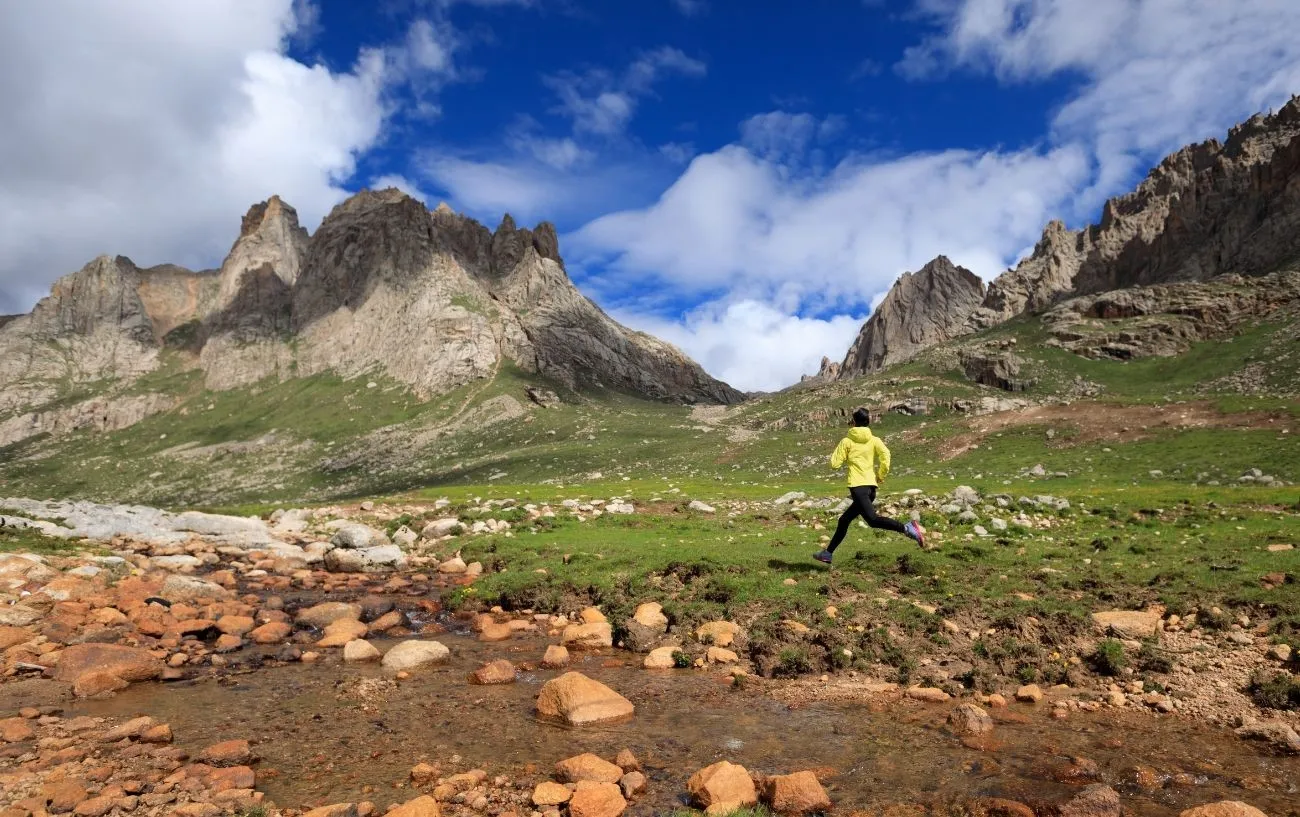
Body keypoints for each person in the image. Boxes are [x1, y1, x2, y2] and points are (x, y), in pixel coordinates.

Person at [813, 407, 925, 565]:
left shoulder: (847, 441)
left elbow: (834, 464)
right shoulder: (875, 440)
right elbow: (886, 456)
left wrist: (843, 453)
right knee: (844, 520)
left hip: (858, 489)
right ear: (868, 422)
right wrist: (880, 476)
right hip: (871, 489)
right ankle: (828, 553)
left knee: (872, 520)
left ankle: (907, 528)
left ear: (854, 422)